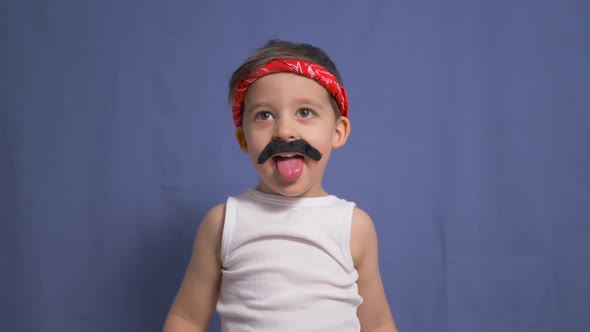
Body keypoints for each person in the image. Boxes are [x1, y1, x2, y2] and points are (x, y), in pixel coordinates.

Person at [162, 39, 398, 332]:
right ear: (243, 140)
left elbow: (377, 324)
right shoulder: (223, 223)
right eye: (265, 115)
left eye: (305, 112)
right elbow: (187, 319)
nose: (285, 131)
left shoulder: (354, 226)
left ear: (337, 132)